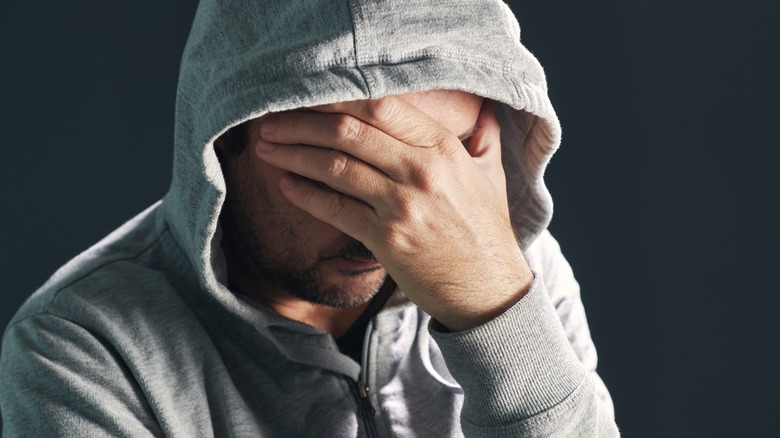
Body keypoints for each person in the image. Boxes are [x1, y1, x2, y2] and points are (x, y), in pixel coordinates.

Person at [0, 0, 619, 436]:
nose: (394, 219)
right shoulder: (83, 348)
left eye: (440, 160)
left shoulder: (519, 272)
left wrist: (494, 306)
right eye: (334, 165)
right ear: (222, 143)